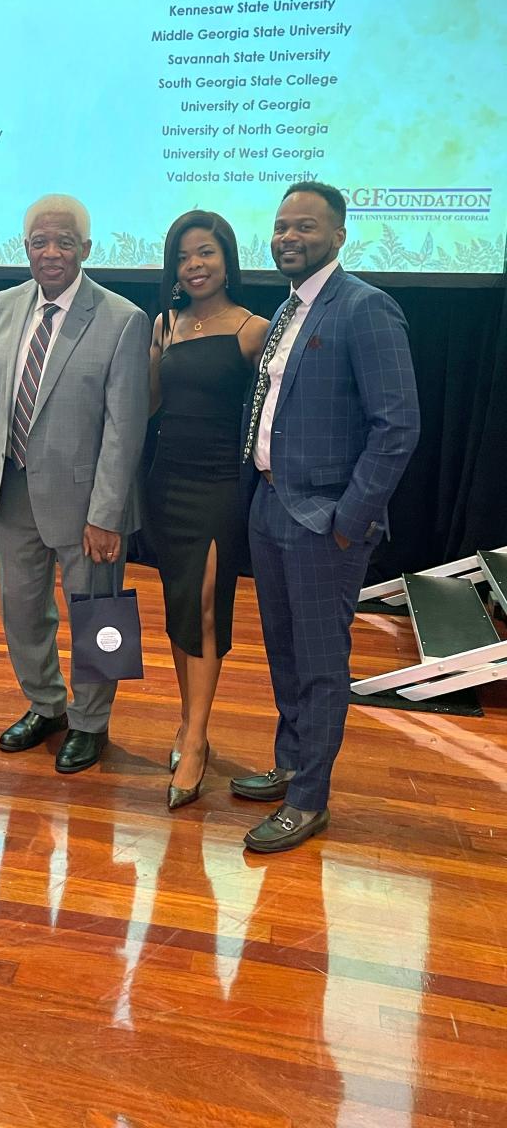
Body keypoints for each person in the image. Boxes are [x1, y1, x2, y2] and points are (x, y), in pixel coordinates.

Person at [233, 181, 420, 852]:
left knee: (320, 661)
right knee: (283, 653)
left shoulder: (365, 309)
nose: (288, 237)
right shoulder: (287, 310)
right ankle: (290, 763)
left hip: (322, 521)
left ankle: (310, 799)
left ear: (339, 235)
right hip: (269, 506)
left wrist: (350, 518)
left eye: (304, 227)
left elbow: (397, 426)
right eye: (281, 226)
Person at [0, 195, 151, 773]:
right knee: (21, 610)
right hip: (12, 494)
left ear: (86, 248)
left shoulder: (123, 319)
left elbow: (125, 429)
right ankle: (46, 704)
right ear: (25, 247)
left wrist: (107, 513)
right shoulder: (2, 309)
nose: (51, 253)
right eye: (39, 242)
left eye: (64, 242)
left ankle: (92, 721)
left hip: (87, 509)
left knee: (100, 617)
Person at [146, 211, 268, 809]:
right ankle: (190, 719)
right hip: (165, 483)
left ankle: (195, 740)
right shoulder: (164, 324)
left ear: (227, 261)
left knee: (205, 608)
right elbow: (149, 405)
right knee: (178, 609)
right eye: (184, 257)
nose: (195, 265)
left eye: (206, 254)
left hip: (219, 487)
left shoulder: (253, 329)